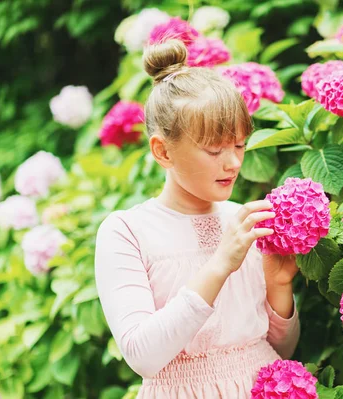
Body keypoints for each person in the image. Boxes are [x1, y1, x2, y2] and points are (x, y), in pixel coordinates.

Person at [94, 39, 300, 398]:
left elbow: (279, 353)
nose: (234, 163)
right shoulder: (127, 232)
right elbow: (143, 356)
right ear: (163, 151)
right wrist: (221, 263)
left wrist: (280, 287)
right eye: (214, 150)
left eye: (239, 145)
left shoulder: (242, 220)